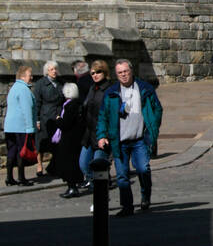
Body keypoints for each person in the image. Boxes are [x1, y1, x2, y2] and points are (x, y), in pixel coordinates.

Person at [97, 59, 163, 216]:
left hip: (140, 139)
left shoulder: (145, 89)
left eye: (126, 71)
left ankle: (145, 196)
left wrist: (153, 127)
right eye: (120, 73)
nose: (123, 75)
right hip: (119, 141)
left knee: (143, 169)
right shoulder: (111, 93)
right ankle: (127, 206)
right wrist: (101, 136)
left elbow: (157, 109)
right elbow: (103, 116)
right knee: (122, 175)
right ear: (116, 74)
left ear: (131, 71)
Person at [47, 82, 86, 198]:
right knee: (74, 163)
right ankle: (74, 186)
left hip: (69, 139)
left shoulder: (69, 106)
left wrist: (58, 119)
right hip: (76, 138)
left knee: (68, 164)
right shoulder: (79, 104)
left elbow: (65, 124)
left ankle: (72, 187)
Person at [80, 59, 111, 193]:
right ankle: (100, 184)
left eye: (98, 72)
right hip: (89, 134)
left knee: (98, 164)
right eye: (92, 73)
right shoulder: (92, 88)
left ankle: (100, 194)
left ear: (104, 72)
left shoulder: (110, 89)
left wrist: (106, 135)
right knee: (83, 165)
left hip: (102, 134)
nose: (95, 75)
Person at [4, 63, 36, 187]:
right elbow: (27, 109)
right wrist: (30, 128)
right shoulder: (24, 90)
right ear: (22, 76)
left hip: (9, 127)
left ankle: (9, 178)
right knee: (21, 152)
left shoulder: (13, 88)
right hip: (21, 127)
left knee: (11, 150)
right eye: (30, 75)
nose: (32, 77)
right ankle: (21, 178)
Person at [32, 59, 63, 180]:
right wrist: (37, 120)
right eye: (51, 69)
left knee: (56, 143)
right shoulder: (41, 84)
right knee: (41, 142)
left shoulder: (60, 83)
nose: (54, 71)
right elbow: (37, 103)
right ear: (47, 71)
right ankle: (39, 164)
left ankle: (53, 166)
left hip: (57, 117)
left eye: (55, 69)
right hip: (45, 117)